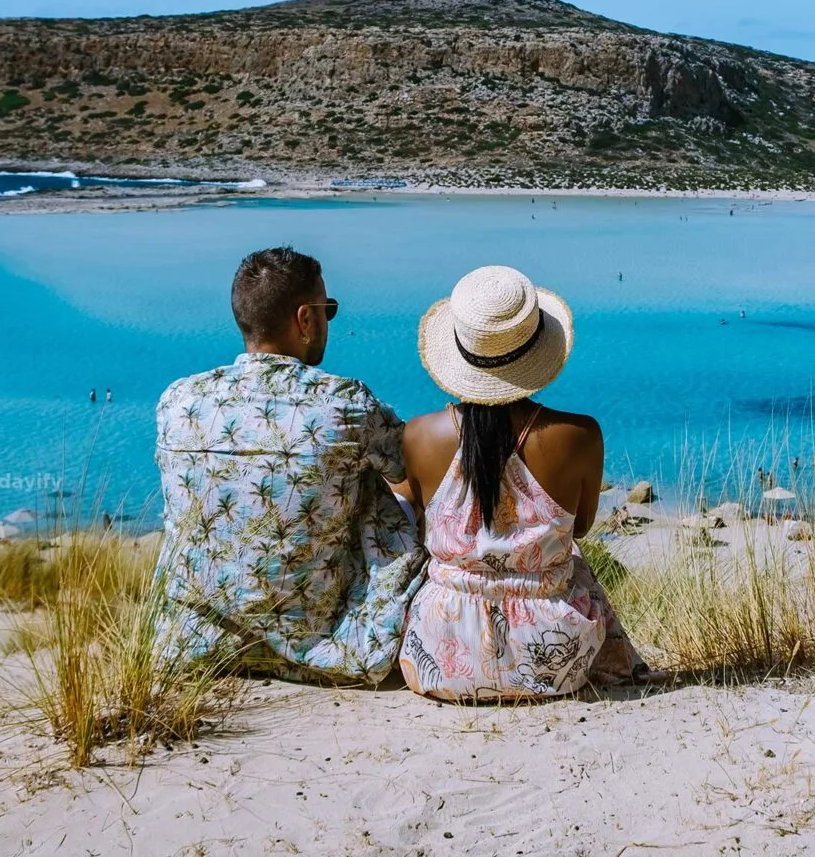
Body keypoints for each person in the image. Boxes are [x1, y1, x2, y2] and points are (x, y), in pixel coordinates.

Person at [152, 246, 424, 684]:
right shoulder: (346, 404)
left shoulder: (177, 400)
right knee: (383, 484)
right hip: (321, 643)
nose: (328, 321)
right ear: (304, 319)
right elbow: (410, 471)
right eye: (327, 309)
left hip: (193, 643)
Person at [392, 265, 647, 701]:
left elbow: (409, 523)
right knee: (574, 559)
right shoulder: (580, 436)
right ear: (537, 348)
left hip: (440, 658)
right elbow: (579, 529)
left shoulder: (418, 435)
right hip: (557, 659)